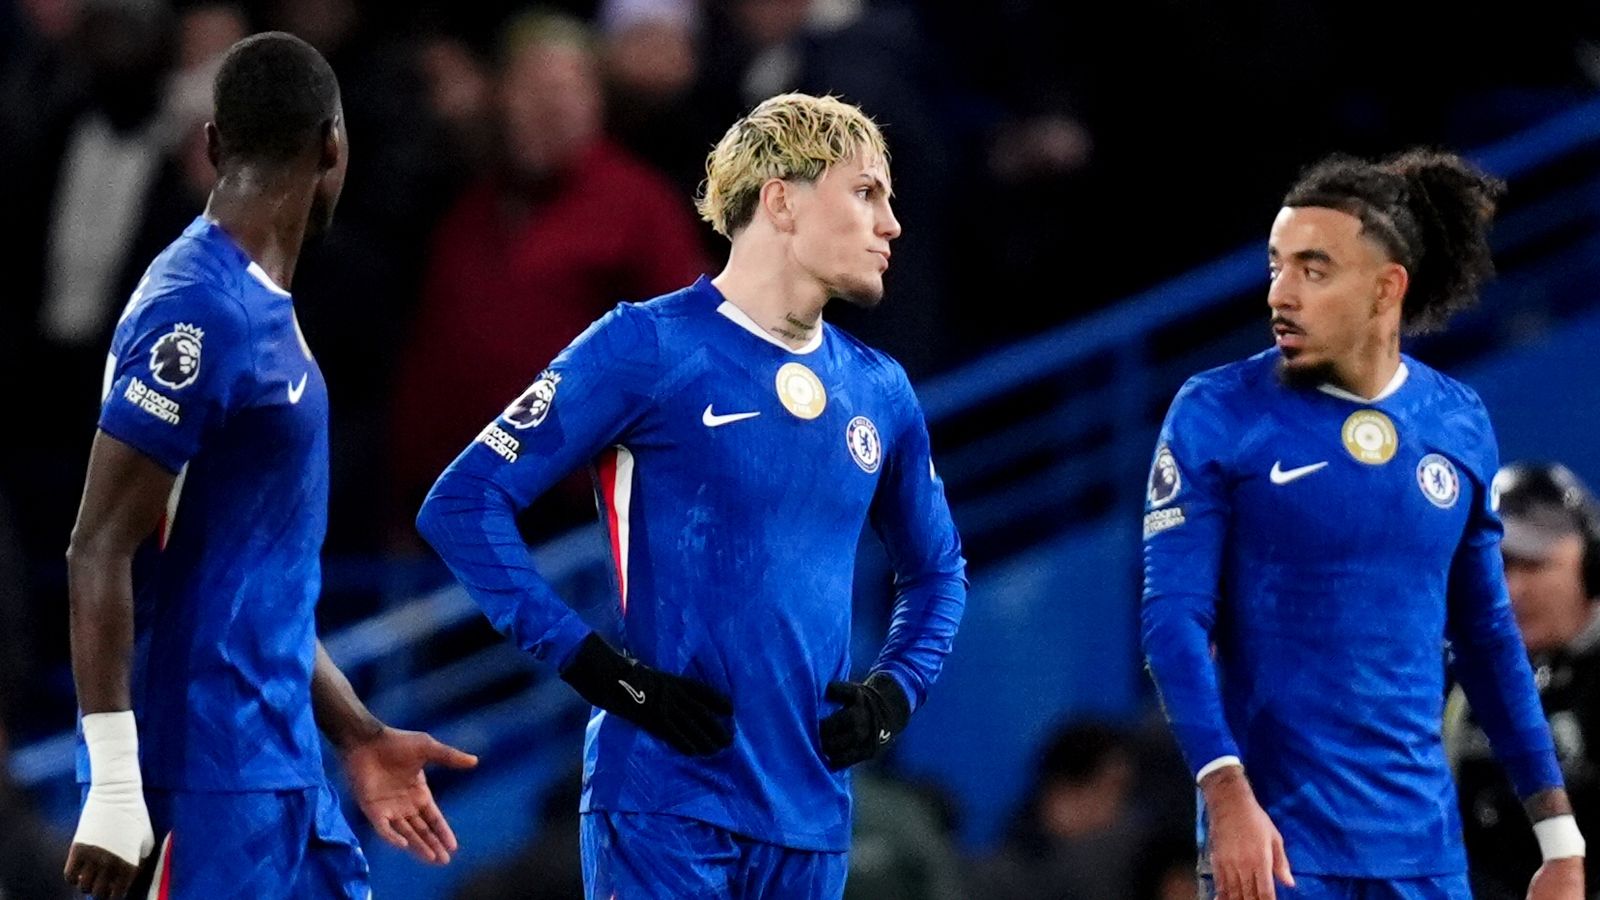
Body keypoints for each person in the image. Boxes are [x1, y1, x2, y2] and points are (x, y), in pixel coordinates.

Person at [417, 91, 968, 899]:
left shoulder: (880, 390)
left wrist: (894, 693)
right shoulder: (646, 345)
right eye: (866, 193)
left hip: (812, 817)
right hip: (663, 804)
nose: (891, 224)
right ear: (781, 200)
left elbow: (938, 571)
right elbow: (463, 505)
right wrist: (597, 669)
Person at [63, 32, 477, 900]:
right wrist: (114, 781)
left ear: (213, 142)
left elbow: (253, 579)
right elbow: (98, 545)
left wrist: (356, 732)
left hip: (280, 767)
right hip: (200, 777)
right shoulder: (198, 308)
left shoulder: (260, 310)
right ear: (333, 146)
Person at [1140, 149, 1588, 900]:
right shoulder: (1217, 411)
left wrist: (1559, 838)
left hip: (1424, 855)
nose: (1281, 293)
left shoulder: (1456, 421)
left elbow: (1486, 637)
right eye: (1276, 266)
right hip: (1279, 850)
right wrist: (1225, 793)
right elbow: (1171, 619)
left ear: (1387, 289)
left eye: (1313, 270)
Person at [1446, 462, 1600, 899]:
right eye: (1499, 568)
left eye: (1534, 566)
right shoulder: (1451, 676)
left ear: (1591, 570)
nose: (1511, 590)